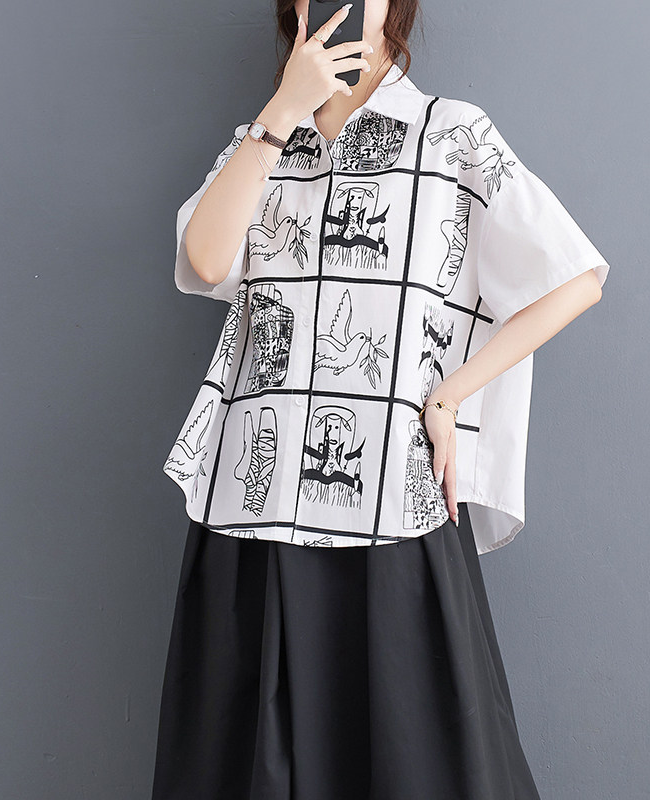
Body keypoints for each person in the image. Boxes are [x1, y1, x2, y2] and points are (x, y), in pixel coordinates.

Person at [151, 1, 610, 798]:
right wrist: (281, 113)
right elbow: (205, 260)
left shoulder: (451, 133)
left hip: (392, 501)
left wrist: (451, 397)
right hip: (256, 499)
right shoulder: (260, 142)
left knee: (415, 763)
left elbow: (574, 278)